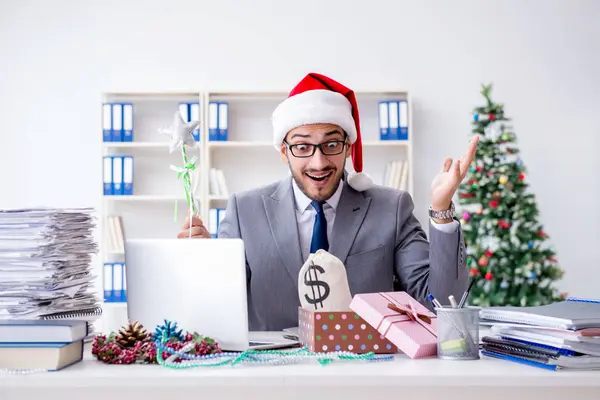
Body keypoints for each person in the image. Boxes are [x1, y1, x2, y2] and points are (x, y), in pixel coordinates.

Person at [178, 72, 478, 331]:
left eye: (331, 144)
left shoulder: (392, 208)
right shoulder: (245, 210)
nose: (318, 162)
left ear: (348, 146)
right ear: (284, 151)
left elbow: (443, 301)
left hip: (364, 367)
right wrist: (204, 262)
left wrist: (441, 211)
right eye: (302, 146)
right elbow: (220, 303)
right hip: (271, 374)